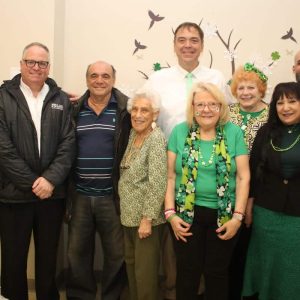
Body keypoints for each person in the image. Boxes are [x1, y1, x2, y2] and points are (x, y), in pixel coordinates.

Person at [144, 21, 230, 299]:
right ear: (174, 45)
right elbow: (143, 112)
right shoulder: (159, 79)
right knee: (176, 236)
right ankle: (173, 290)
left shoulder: (216, 77)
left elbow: (228, 115)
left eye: (194, 40)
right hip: (170, 168)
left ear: (202, 45)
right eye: (182, 39)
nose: (188, 45)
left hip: (208, 170)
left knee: (206, 240)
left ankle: (202, 291)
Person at [0, 42, 75, 300]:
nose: (36, 67)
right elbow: (3, 149)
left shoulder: (60, 100)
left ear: (48, 67)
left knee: (48, 260)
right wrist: (35, 182)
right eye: (30, 62)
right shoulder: (3, 97)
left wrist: (51, 180)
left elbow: (68, 144)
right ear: (21, 64)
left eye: (42, 63)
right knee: (13, 258)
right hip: (13, 195)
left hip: (51, 197)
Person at [165, 82, 250, 300]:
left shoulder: (233, 133)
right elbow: (171, 177)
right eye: (200, 104)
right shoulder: (179, 132)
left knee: (216, 273)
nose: (206, 109)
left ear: (221, 107)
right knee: (187, 273)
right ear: (192, 107)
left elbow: (243, 177)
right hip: (186, 216)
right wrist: (170, 215)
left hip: (225, 217)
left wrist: (238, 218)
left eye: (213, 104)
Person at [66, 61, 131, 300]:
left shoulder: (126, 110)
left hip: (112, 196)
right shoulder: (74, 109)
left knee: (116, 255)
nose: (99, 80)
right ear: (87, 80)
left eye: (105, 76)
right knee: (76, 254)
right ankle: (81, 296)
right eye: (94, 76)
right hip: (80, 195)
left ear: (113, 80)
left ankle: (112, 296)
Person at [242, 82, 300, 300]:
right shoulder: (266, 132)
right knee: (267, 267)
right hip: (266, 213)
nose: (285, 107)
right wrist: (249, 203)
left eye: (292, 101)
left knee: (293, 270)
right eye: (280, 102)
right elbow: (255, 167)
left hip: (297, 217)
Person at [118, 88, 167, 300]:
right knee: (131, 268)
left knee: (144, 274)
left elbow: (157, 182)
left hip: (146, 221)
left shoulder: (156, 138)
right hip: (128, 217)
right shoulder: (133, 134)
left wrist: (147, 219)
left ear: (155, 114)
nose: (138, 115)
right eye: (135, 109)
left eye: (144, 110)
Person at [227, 63, 269, 300]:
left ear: (261, 90)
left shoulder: (272, 114)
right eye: (240, 87)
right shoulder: (227, 112)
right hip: (228, 188)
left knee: (253, 248)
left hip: (259, 190)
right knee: (231, 250)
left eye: (251, 87)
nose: (245, 92)